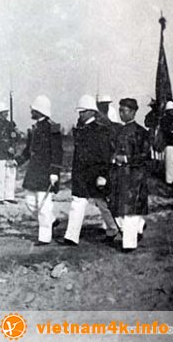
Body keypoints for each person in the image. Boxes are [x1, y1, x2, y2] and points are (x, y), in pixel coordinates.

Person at [57, 95, 118, 246]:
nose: (80, 114)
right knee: (78, 202)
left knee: (102, 204)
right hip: (81, 173)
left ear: (91, 111)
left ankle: (115, 229)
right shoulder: (80, 130)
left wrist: (103, 174)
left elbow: (104, 154)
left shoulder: (100, 130)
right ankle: (71, 237)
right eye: (80, 112)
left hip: (96, 173)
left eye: (83, 111)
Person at [15, 95, 63, 245]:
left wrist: (54, 172)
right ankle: (52, 221)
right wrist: (18, 161)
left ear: (40, 110)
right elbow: (28, 150)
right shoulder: (34, 128)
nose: (31, 112)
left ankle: (44, 237)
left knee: (43, 206)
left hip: (46, 173)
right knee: (29, 202)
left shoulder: (52, 128)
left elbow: (57, 152)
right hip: (34, 172)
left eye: (33, 109)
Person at [110, 98, 150, 252]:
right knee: (117, 209)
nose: (121, 114)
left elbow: (145, 155)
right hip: (119, 175)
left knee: (130, 210)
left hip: (134, 177)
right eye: (120, 110)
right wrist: (113, 158)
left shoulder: (141, 132)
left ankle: (129, 244)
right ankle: (138, 226)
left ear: (133, 112)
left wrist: (126, 159)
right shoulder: (118, 131)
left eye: (124, 111)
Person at [0, 102, 18, 204]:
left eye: (7, 112)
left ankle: (9, 196)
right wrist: (7, 148)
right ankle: (0, 197)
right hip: (0, 154)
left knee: (11, 176)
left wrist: (15, 134)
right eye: (4, 112)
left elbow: (15, 138)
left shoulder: (10, 125)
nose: (7, 114)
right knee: (1, 177)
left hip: (10, 155)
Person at [160, 101, 173, 185]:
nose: (171, 112)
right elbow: (167, 132)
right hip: (169, 144)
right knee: (170, 163)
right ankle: (169, 182)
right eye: (170, 110)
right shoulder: (164, 120)